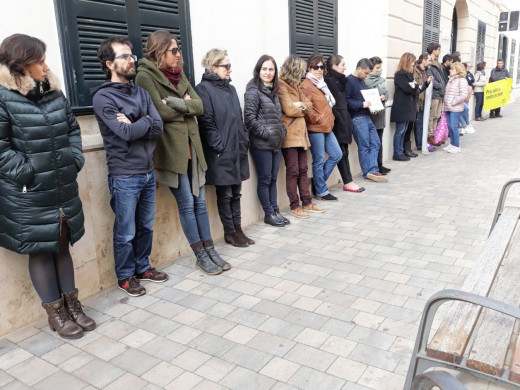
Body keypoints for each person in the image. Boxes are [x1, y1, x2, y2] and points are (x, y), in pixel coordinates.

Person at [0, 34, 95, 338]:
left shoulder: (54, 93)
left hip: (63, 186)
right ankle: (56, 313)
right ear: (20, 65)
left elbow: (72, 129)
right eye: (38, 61)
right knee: (41, 250)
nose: (45, 66)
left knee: (62, 244)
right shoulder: (3, 97)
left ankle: (73, 306)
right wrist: (29, 173)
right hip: (29, 193)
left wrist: (74, 159)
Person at [135, 30, 229, 275]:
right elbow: (159, 113)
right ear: (159, 52)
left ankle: (210, 250)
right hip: (172, 151)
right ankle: (200, 254)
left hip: (193, 149)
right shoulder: (145, 77)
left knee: (200, 203)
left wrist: (176, 103)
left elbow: (199, 106)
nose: (178, 55)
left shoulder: (180, 75)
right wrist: (184, 105)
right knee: (187, 203)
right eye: (173, 51)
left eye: (178, 50)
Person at [92, 37, 169, 297]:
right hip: (124, 174)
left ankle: (143, 267)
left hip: (147, 171)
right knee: (126, 231)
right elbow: (124, 133)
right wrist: (144, 121)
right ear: (109, 64)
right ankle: (125, 277)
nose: (131, 60)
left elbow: (158, 126)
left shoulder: (141, 93)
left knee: (146, 226)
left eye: (131, 55)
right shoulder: (103, 97)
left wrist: (140, 122)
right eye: (124, 56)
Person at [195, 49, 253, 247]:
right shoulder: (203, 89)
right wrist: (218, 145)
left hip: (237, 148)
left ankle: (238, 229)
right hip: (221, 151)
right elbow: (207, 122)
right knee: (225, 194)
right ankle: (229, 232)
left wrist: (243, 139)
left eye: (229, 65)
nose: (229, 69)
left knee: (236, 192)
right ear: (213, 67)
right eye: (225, 66)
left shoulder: (231, 88)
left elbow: (239, 117)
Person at [278, 55, 325, 218]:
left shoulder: (295, 86)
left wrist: (301, 105)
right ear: (294, 70)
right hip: (290, 135)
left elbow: (309, 106)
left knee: (304, 169)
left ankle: (307, 202)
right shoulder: (281, 85)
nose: (302, 74)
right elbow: (289, 110)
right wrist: (300, 107)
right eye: (300, 70)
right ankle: (294, 206)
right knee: (293, 171)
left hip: (302, 134)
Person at [244, 55, 288, 226]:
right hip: (262, 144)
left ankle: (275, 210)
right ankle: (269, 214)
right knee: (264, 179)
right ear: (258, 70)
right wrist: (267, 134)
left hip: (276, 143)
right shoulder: (253, 91)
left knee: (273, 179)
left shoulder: (273, 91)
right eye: (264, 69)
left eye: (271, 69)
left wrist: (281, 132)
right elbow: (249, 118)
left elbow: (277, 116)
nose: (267, 72)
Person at [300, 54, 342, 200]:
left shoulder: (321, 83)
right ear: (309, 68)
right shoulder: (306, 85)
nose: (319, 70)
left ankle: (318, 183)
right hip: (315, 127)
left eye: (321, 67)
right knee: (318, 159)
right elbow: (306, 108)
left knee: (337, 154)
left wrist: (329, 118)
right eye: (315, 67)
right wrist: (318, 119)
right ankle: (321, 191)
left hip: (327, 126)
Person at [324, 54, 366, 191]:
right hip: (337, 121)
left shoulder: (341, 80)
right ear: (334, 66)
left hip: (343, 118)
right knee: (340, 153)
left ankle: (348, 181)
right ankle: (342, 181)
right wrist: (340, 118)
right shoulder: (330, 80)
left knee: (344, 151)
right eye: (342, 64)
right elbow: (334, 104)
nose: (345, 67)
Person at [346, 58, 389, 183]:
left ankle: (373, 170)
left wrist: (372, 106)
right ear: (359, 68)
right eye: (366, 73)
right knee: (364, 146)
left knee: (376, 142)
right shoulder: (349, 81)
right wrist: (362, 105)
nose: (367, 76)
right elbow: (346, 101)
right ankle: (368, 172)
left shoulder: (361, 81)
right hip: (357, 118)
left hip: (366, 116)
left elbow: (364, 98)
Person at [390, 53, 431, 161]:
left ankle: (402, 151)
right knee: (400, 131)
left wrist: (426, 84)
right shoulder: (400, 75)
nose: (413, 66)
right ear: (407, 63)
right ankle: (397, 153)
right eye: (412, 64)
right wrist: (414, 86)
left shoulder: (408, 75)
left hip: (409, 108)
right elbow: (409, 89)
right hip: (402, 108)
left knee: (404, 131)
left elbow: (416, 90)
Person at [365, 56, 391, 173]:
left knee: (379, 141)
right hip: (371, 115)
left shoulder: (381, 80)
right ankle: (373, 166)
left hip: (381, 113)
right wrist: (379, 95)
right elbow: (367, 94)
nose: (379, 70)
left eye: (380, 68)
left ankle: (379, 165)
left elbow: (387, 93)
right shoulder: (366, 80)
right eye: (377, 68)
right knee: (373, 143)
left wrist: (384, 96)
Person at [443, 61, 468, 153]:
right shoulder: (451, 79)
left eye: (452, 69)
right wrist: (444, 106)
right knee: (450, 126)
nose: (450, 70)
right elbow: (447, 94)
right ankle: (452, 144)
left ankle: (456, 146)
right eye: (450, 68)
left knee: (453, 126)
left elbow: (463, 95)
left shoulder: (462, 80)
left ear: (458, 70)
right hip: (448, 107)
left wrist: (453, 102)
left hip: (455, 107)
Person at [426, 43, 447, 148]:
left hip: (440, 94)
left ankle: (434, 134)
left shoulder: (437, 63)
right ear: (434, 50)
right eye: (438, 49)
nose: (439, 51)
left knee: (437, 116)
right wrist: (440, 86)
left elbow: (442, 78)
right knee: (432, 115)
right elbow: (430, 77)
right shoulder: (429, 62)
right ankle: (430, 135)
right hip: (434, 93)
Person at [412, 53, 430, 151]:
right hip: (418, 100)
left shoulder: (426, 71)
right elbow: (416, 86)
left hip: (424, 100)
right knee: (418, 125)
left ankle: (422, 143)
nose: (430, 62)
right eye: (429, 60)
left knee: (423, 124)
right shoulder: (416, 71)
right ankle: (419, 145)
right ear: (423, 60)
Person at [459, 62, 475, 134]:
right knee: (460, 112)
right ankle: (465, 125)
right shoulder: (460, 77)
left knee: (465, 110)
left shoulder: (468, 74)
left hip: (465, 96)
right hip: (459, 97)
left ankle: (465, 125)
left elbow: (472, 80)